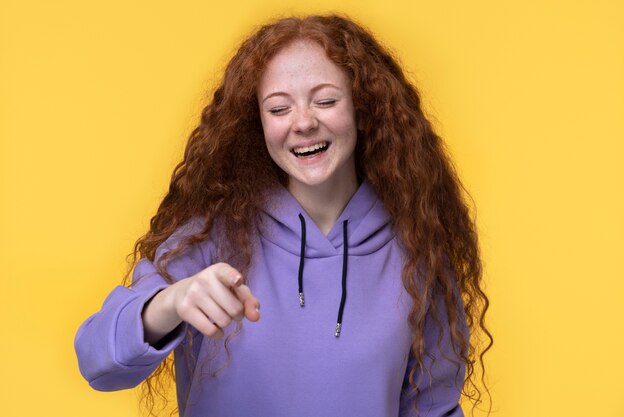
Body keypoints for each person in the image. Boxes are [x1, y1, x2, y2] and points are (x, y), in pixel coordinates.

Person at [74, 14, 491, 417]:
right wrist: (171, 302)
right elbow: (98, 362)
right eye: (278, 109)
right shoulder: (210, 239)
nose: (304, 123)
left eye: (325, 101)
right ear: (257, 124)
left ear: (363, 108)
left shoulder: (419, 251)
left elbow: (433, 408)